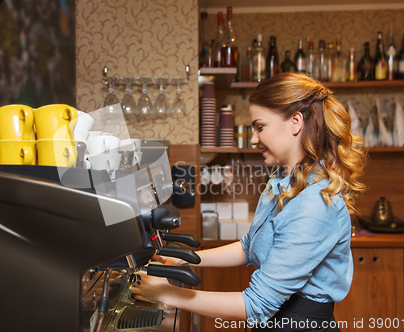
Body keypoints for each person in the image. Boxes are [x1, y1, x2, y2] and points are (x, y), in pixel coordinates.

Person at [130, 72, 367, 331]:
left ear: (295, 122)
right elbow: (249, 246)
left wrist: (166, 294)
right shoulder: (282, 180)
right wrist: (187, 259)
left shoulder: (315, 204)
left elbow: (255, 305)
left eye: (260, 127)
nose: (253, 138)